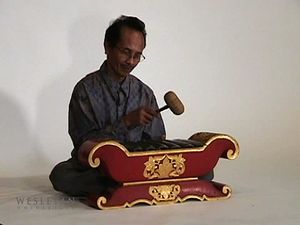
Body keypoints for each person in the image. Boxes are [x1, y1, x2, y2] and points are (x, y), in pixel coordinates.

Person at [49, 15, 166, 196]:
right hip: (96, 168)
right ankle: (127, 186)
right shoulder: (85, 90)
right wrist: (126, 122)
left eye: (137, 55)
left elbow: (158, 143)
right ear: (107, 47)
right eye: (126, 52)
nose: (131, 61)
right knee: (61, 175)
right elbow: (84, 147)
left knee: (203, 172)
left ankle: (121, 186)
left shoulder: (145, 93)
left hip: (135, 168)